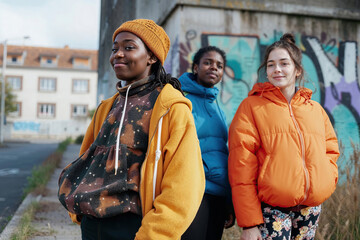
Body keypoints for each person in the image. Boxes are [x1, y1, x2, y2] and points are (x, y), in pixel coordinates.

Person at [58, 19, 205, 240]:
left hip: (135, 227)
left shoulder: (170, 108)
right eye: (115, 48)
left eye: (129, 47)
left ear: (152, 57)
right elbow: (86, 160)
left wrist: (154, 234)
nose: (118, 54)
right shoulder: (106, 108)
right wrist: (80, 212)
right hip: (92, 226)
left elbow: (185, 184)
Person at [228, 33, 339, 240]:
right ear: (266, 70)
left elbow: (331, 149)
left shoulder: (315, 109)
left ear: (297, 70)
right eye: (271, 65)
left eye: (284, 63)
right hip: (271, 210)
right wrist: (250, 223)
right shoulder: (251, 107)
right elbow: (241, 167)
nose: (277, 69)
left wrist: (327, 178)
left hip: (310, 209)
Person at [179, 46, 234, 240]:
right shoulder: (181, 100)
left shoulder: (218, 108)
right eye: (208, 62)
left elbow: (221, 153)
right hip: (194, 192)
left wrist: (229, 202)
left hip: (218, 195)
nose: (214, 68)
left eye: (219, 66)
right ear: (196, 67)